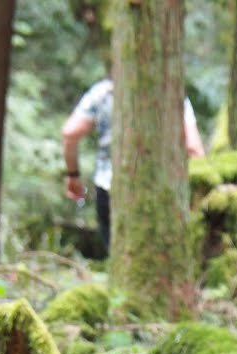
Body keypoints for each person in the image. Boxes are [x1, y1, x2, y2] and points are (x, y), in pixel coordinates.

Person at [62, 77, 205, 256]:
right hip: (161, 191)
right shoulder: (172, 93)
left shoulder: (103, 92)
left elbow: (70, 133)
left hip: (109, 188)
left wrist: (73, 175)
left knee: (120, 259)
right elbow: (194, 149)